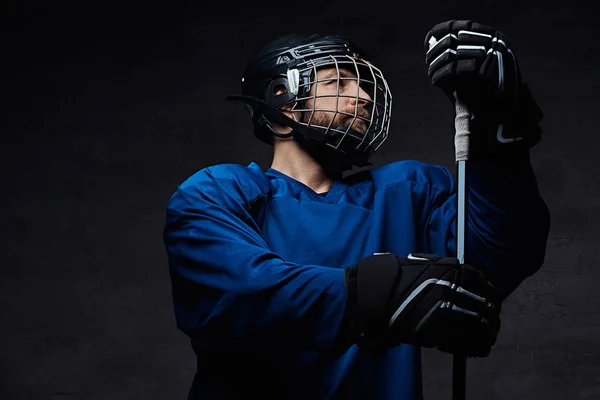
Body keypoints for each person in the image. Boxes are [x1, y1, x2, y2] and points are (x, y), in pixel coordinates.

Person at [163, 20, 551, 400]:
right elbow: (238, 296)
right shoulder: (217, 192)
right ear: (280, 97)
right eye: (338, 83)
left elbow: (499, 254)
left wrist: (500, 131)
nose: (363, 97)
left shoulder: (408, 191)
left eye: (363, 84)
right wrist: (382, 293)